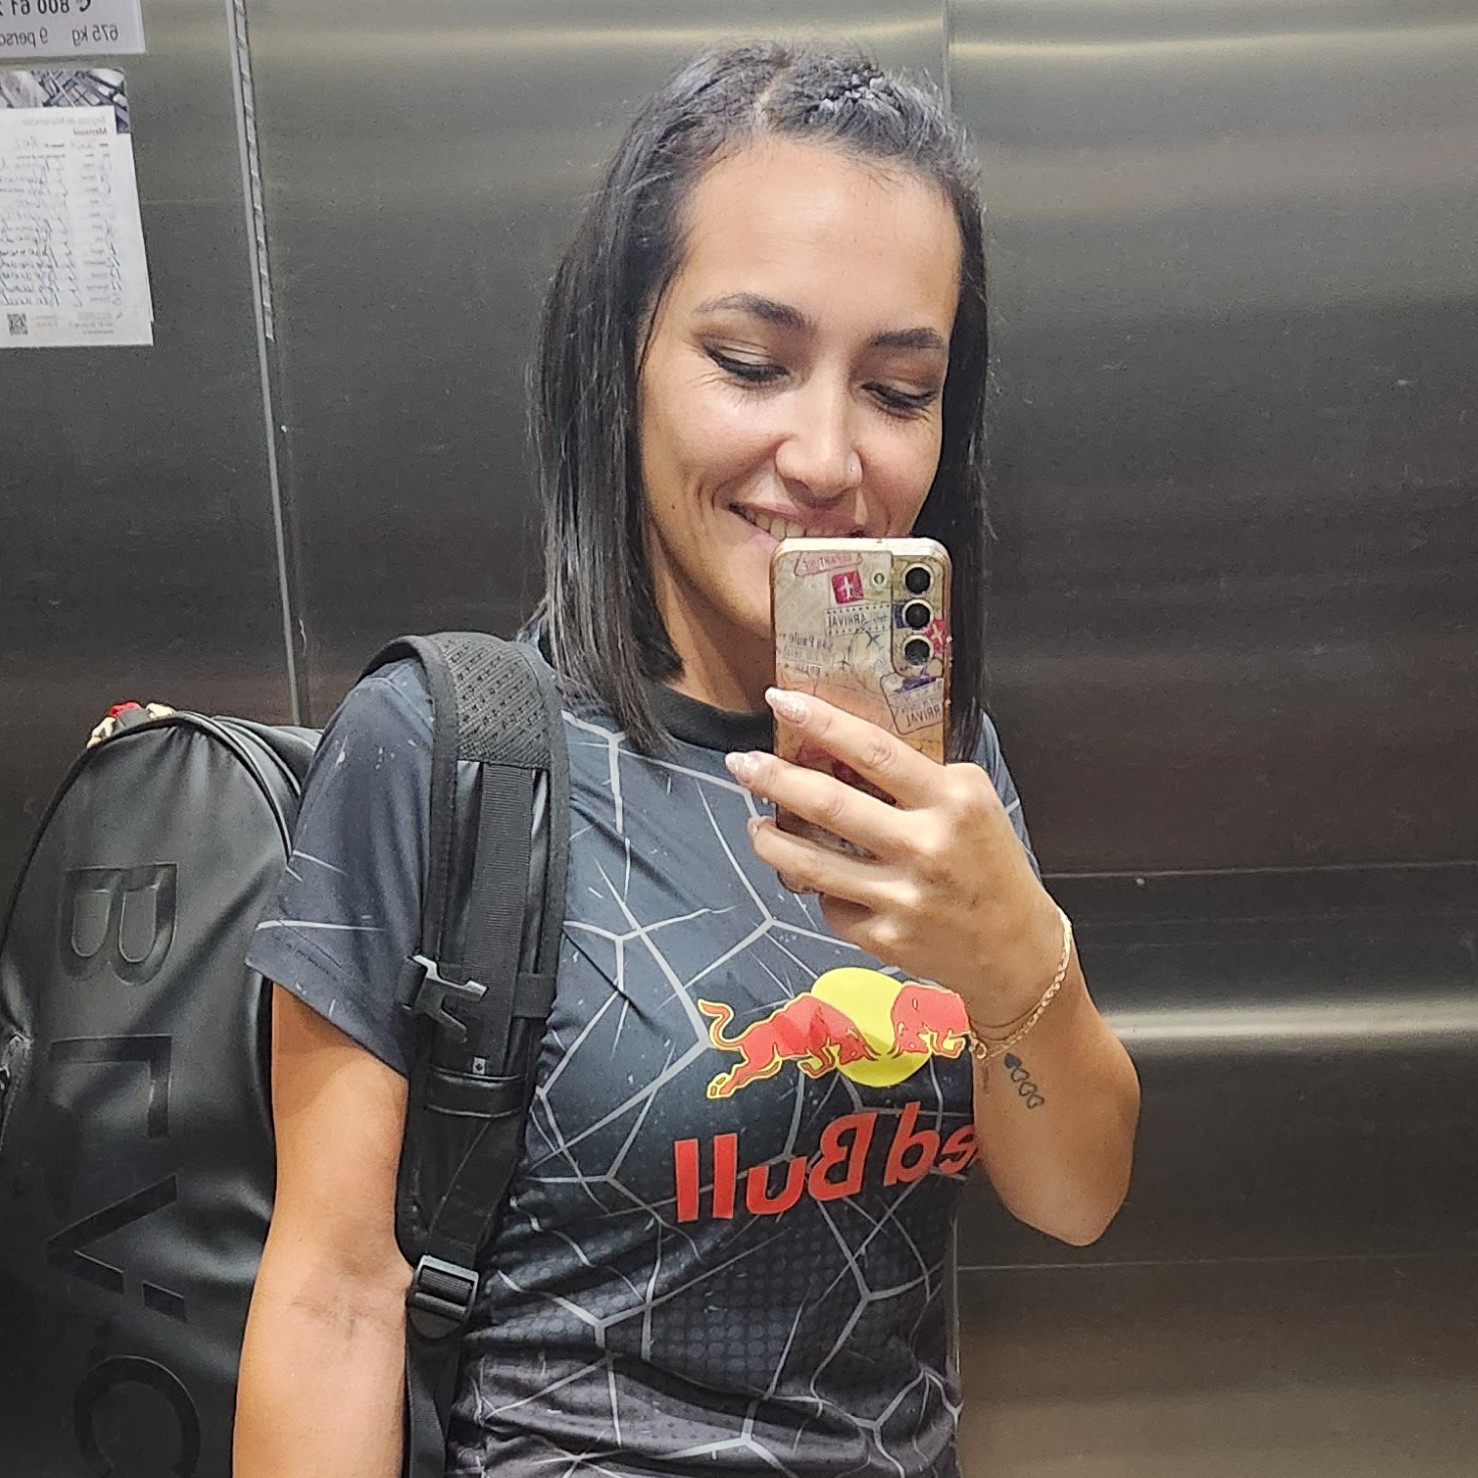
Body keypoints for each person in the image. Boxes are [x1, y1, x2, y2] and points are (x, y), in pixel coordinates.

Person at [234, 42, 1140, 1478]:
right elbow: (334, 1298)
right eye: (751, 364)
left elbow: (1076, 1195)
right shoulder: (443, 748)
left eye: (900, 388)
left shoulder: (932, 761)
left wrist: (1021, 957)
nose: (827, 456)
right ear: (622, 363)